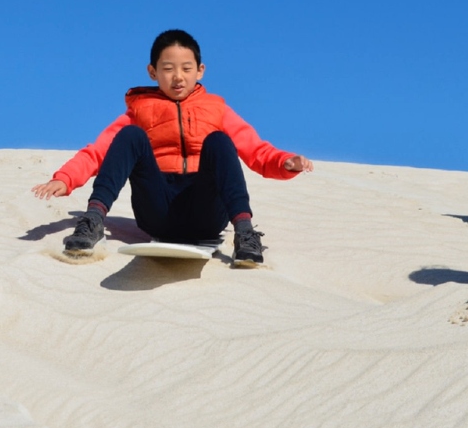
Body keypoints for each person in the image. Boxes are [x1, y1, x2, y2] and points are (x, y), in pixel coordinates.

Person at [31, 29, 314, 266]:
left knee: (219, 141)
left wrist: (285, 161)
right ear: (152, 72)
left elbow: (256, 150)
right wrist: (65, 178)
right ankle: (92, 222)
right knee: (129, 135)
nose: (178, 76)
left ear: (200, 71)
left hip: (206, 212)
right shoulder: (139, 110)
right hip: (157, 209)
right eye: (168, 69)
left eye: (186, 68)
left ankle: (245, 233)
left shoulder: (216, 109)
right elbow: (99, 151)